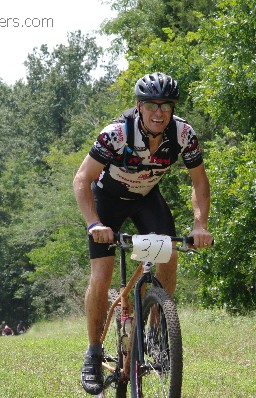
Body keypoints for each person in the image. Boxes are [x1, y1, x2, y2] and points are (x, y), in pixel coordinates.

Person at [73, 72, 213, 395]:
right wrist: (95, 224)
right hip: (107, 200)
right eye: (151, 105)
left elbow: (199, 183)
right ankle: (93, 353)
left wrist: (200, 224)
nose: (158, 112)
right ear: (139, 106)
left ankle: (156, 333)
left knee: (170, 253)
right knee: (103, 272)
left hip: (146, 198)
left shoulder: (183, 134)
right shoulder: (117, 134)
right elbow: (82, 180)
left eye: (165, 106)